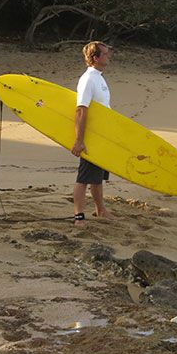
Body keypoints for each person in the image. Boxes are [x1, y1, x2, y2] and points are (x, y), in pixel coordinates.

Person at [70, 41, 113, 225]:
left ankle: (100, 210)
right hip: (90, 137)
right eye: (105, 54)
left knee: (97, 178)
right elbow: (81, 110)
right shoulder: (88, 79)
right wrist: (79, 140)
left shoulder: (99, 78)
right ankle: (78, 215)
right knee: (84, 177)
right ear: (95, 57)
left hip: (101, 137)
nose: (108, 56)